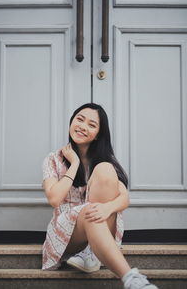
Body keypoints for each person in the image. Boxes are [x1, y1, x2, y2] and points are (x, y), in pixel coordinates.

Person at [41, 103, 158, 289]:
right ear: (71, 121)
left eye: (92, 124)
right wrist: (74, 164)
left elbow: (123, 198)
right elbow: (54, 199)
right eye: (79, 119)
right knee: (89, 210)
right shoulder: (53, 159)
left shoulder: (105, 162)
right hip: (67, 234)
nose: (83, 126)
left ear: (98, 135)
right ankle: (131, 278)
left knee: (104, 170)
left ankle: (93, 254)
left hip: (98, 220)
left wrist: (106, 208)